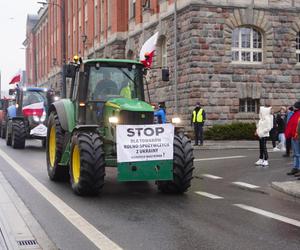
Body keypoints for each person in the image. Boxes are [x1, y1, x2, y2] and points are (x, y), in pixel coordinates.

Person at [285, 101, 300, 175]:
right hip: (294, 136)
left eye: (294, 106)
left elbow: (296, 126)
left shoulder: (298, 114)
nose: (293, 107)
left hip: (297, 136)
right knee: (295, 153)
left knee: (298, 154)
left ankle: (298, 168)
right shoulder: (294, 113)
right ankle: (296, 167)